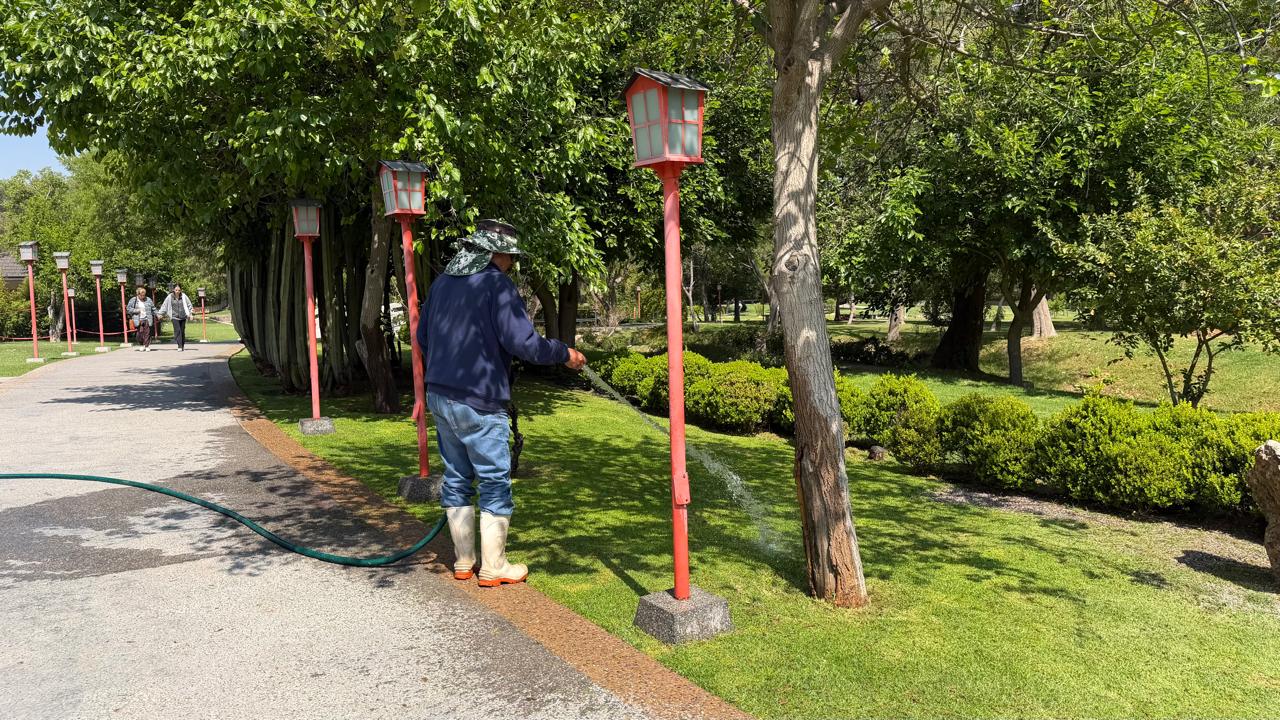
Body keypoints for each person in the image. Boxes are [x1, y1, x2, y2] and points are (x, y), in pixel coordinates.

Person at [418, 220, 586, 587]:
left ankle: (464, 561)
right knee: (494, 479)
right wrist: (564, 353)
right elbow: (523, 343)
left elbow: (423, 337)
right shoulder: (496, 284)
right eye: (510, 257)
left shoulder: (442, 283)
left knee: (457, 477)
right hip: (479, 398)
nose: (511, 264)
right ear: (496, 253)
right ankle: (494, 566)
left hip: (440, 395)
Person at [159, 284, 195, 351]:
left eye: (179, 290)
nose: (177, 291)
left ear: (180, 290)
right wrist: (160, 313)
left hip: (183, 316)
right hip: (174, 317)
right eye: (176, 290)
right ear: (173, 290)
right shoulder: (170, 297)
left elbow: (189, 305)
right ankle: (179, 346)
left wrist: (191, 314)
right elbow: (164, 306)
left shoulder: (184, 296)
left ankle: (182, 345)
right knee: (177, 331)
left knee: (182, 331)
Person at [127, 286, 156, 351]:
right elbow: (128, 309)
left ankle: (146, 346)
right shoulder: (133, 300)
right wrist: (136, 310)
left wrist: (158, 314)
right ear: (138, 294)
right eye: (141, 295)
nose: (143, 296)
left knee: (147, 333)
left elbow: (153, 308)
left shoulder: (148, 299)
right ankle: (141, 344)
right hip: (138, 319)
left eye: (144, 295)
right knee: (139, 334)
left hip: (147, 318)